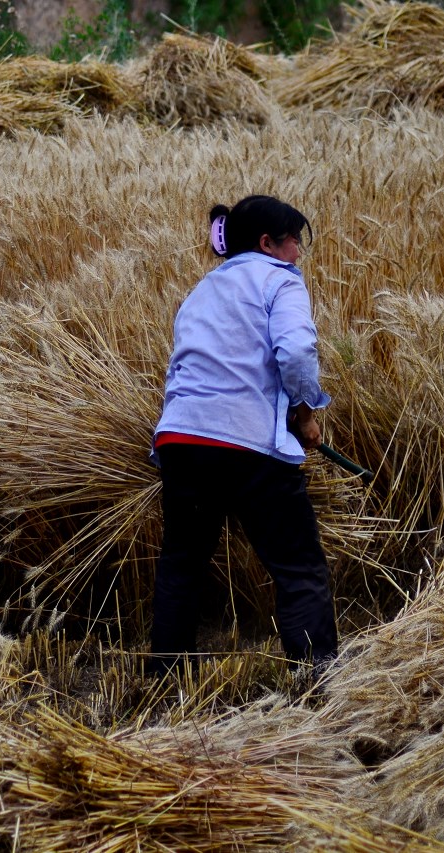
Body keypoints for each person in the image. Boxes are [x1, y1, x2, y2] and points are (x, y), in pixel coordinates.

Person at [149, 194, 337, 673]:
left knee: (182, 564)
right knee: (299, 569)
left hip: (180, 443)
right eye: (295, 240)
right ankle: (317, 680)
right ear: (268, 243)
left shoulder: (201, 290)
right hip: (247, 446)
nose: (299, 251)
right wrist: (304, 412)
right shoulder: (280, 281)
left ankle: (164, 680)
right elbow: (295, 354)